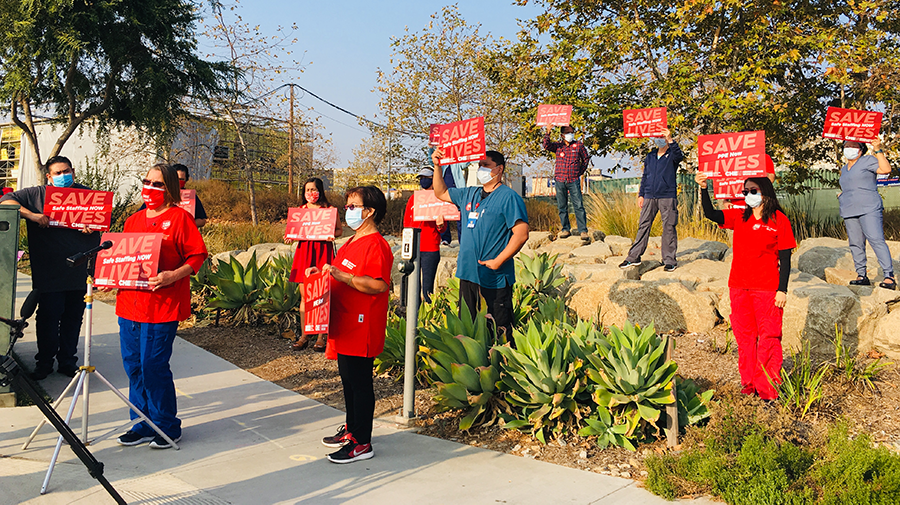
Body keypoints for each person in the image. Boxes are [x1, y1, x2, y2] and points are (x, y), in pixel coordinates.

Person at [115, 163, 208, 449]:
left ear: (169, 188)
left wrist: (172, 275)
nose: (150, 188)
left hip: (161, 306)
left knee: (153, 365)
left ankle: (166, 425)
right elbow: (124, 259)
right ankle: (141, 422)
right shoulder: (133, 220)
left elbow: (197, 256)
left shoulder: (180, 219)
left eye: (157, 184)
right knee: (133, 367)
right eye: (146, 182)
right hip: (129, 304)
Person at [695, 173, 796, 400]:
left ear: (765, 192)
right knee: (745, 337)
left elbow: (786, 259)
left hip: (768, 289)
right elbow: (711, 213)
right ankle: (749, 384)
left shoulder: (779, 220)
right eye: (745, 192)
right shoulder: (740, 216)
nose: (748, 195)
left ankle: (767, 390)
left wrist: (783, 289)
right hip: (739, 287)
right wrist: (703, 188)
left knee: (769, 337)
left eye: (752, 191)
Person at [0, 156, 100, 380]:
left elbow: (102, 219)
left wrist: (91, 226)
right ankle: (44, 363)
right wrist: (33, 215)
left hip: (80, 270)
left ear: (73, 171)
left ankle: (68, 361)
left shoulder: (87, 195)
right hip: (49, 271)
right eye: (57, 173)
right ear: (49, 176)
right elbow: (5, 201)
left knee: (73, 317)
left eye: (66, 171)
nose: (63, 176)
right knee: (48, 316)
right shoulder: (35, 194)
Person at [313, 186, 392, 464]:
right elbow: (338, 272)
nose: (349, 212)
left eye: (354, 206)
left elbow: (378, 284)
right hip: (343, 323)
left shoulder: (376, 245)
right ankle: (352, 429)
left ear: (370, 211)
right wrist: (322, 273)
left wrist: (344, 278)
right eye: (348, 206)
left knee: (360, 383)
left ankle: (362, 442)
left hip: (362, 325)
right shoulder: (351, 241)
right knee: (348, 381)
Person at [431, 148, 529, 341]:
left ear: (499, 169)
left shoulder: (509, 197)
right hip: (468, 273)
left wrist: (499, 261)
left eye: (486, 165)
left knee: (497, 328)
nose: (480, 169)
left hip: (494, 276)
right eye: (479, 165)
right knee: (469, 327)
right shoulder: (469, 194)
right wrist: (437, 166)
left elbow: (521, 233)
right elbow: (440, 192)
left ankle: (499, 367)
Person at [288, 177, 343, 351]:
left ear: (320, 190)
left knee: (322, 294)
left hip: (322, 252)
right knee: (305, 296)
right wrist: (290, 235)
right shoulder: (300, 211)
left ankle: (321, 336)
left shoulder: (329, 210)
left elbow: (339, 230)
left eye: (313, 189)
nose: (310, 193)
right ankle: (305, 335)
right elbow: (294, 230)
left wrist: (332, 235)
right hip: (304, 253)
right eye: (307, 190)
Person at [620, 128, 683, 272]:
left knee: (669, 227)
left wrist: (670, 139)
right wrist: (641, 194)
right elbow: (645, 175)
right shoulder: (650, 156)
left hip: (667, 196)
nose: (658, 139)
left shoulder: (672, 154)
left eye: (661, 136)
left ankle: (669, 260)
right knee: (643, 225)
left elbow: (679, 156)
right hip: (649, 196)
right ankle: (633, 257)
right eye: (656, 136)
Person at [838, 138, 894, 289]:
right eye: (846, 146)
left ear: (860, 149)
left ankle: (889, 275)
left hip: (868, 207)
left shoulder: (867, 160)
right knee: (855, 243)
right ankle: (861, 274)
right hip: (849, 209)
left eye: (853, 145)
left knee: (876, 239)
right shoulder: (844, 169)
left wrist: (878, 149)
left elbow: (885, 169)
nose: (849, 148)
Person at [402, 167, 447, 304]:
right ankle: (413, 314)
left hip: (430, 248)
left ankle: (427, 315)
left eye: (426, 178)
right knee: (413, 284)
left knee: (428, 286)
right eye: (421, 178)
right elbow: (406, 222)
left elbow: (443, 228)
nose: (423, 181)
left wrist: (440, 225)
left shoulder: (440, 198)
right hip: (413, 247)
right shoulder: (413, 198)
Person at [542, 125, 590, 240]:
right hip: (560, 179)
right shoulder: (558, 146)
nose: (570, 135)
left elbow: (586, 159)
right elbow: (546, 145)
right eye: (568, 133)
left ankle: (583, 230)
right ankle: (565, 229)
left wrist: (580, 171)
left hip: (573, 180)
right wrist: (548, 132)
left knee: (578, 205)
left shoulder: (578, 145)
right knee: (562, 206)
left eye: (572, 132)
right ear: (562, 135)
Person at [136, 163, 208, 228]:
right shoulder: (156, 196)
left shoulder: (191, 197)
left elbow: (202, 220)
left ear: (186, 180)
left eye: (181, 179)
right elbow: (140, 216)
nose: (178, 182)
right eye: (147, 182)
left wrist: (184, 225)